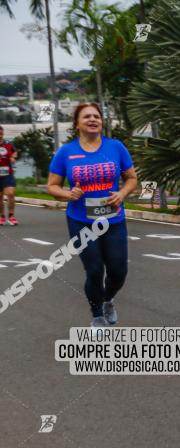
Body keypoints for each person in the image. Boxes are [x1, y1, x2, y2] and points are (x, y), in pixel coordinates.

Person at [47, 102, 137, 327]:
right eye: (86, 116)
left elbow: (132, 178)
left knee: (118, 271)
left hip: (113, 219)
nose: (92, 119)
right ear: (77, 123)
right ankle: (97, 314)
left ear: (102, 121)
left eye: (96, 116)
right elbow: (52, 186)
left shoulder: (115, 147)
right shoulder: (66, 152)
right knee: (94, 270)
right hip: (81, 221)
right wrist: (68, 194)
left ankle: (108, 299)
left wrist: (122, 193)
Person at [0, 125, 18, 226]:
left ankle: (11, 216)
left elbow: (14, 152)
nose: (0, 136)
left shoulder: (8, 144)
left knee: (10, 193)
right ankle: (2, 216)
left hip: (7, 173)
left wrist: (12, 157)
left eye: (1, 134)